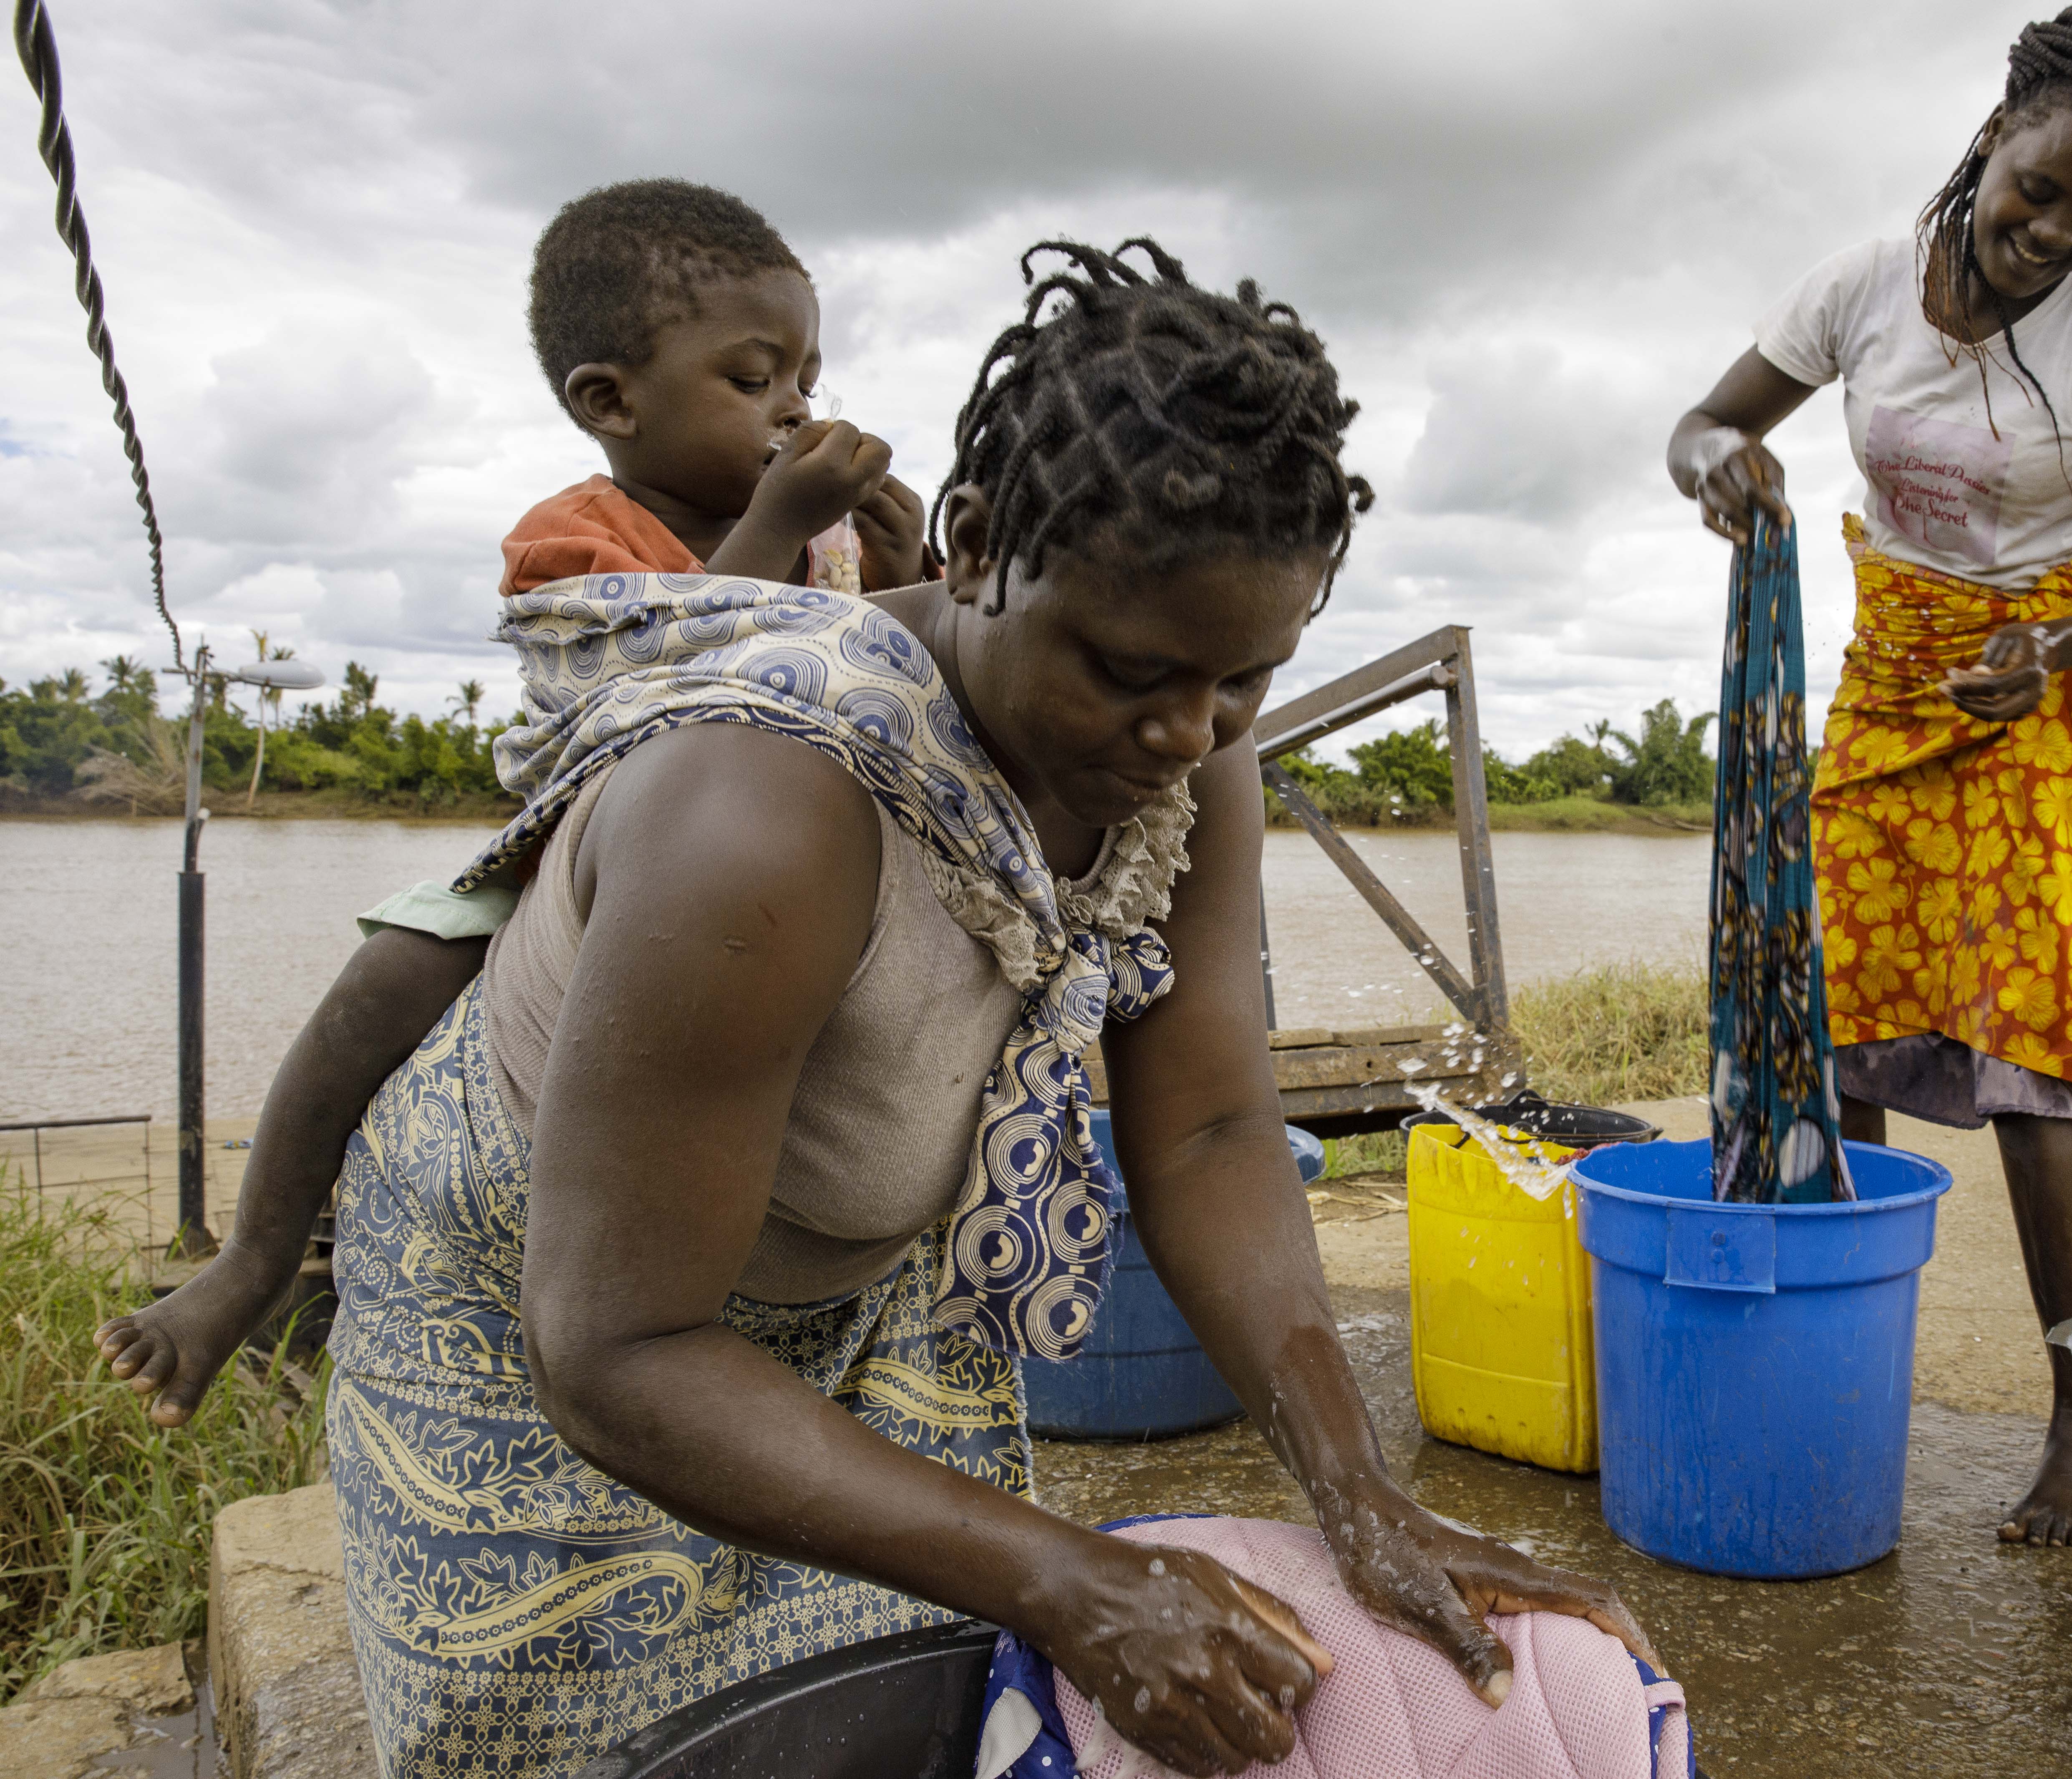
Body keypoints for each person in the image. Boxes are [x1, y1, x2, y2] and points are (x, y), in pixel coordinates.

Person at [118, 237, 1645, 1779]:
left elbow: (1209, 1125)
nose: (1185, 730)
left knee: (903, 1700)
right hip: (536, 1299)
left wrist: (1358, 1491)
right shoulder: (770, 806)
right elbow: (620, 1346)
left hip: (858, 1284)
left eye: (1242, 680)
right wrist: (1070, 1573)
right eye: (1128, 668)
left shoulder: (1183, 756)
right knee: (581, 1734)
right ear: (975, 543)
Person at [98, 177, 937, 1422]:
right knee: (388, 970)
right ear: (610, 400)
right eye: (755, 379)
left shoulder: (830, 551)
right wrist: (781, 522)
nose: (797, 408)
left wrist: (907, 565)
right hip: (572, 844)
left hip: (769, 870)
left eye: (808, 378)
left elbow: (872, 674)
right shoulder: (576, 533)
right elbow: (678, 674)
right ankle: (251, 1263)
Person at [1665, 0, 2072, 1547]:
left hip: (2044, 685)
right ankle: (1836, 1363)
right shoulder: (1861, 284)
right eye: (2039, 188)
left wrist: (2058, 654)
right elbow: (1705, 419)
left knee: (2030, 1047)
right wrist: (1724, 462)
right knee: (1841, 1033)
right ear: (1993, 136)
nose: (2055, 231)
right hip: (1886, 677)